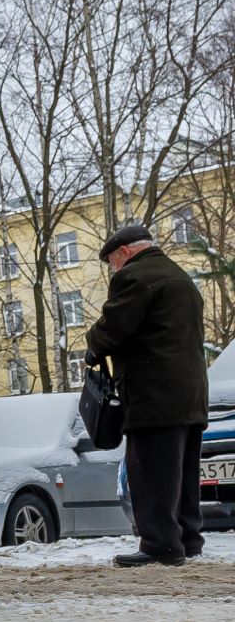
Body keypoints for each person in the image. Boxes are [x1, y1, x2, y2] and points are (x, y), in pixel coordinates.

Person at [85, 223, 209, 567]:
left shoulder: (135, 277)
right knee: (182, 471)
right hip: (190, 393)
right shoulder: (180, 277)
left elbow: (113, 328)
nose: (114, 269)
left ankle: (159, 544)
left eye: (113, 261)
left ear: (124, 253)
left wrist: (92, 345)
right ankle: (187, 538)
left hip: (153, 393)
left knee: (152, 472)